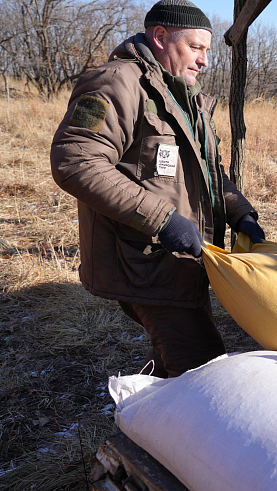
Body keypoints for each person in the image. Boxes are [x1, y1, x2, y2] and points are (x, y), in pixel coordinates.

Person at [50, 0, 265, 378]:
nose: (204, 61)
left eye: (207, 51)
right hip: (144, 259)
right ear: (161, 37)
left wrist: (239, 211)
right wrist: (164, 220)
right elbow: (75, 161)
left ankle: (141, 413)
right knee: (202, 367)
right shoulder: (116, 83)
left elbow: (207, 172)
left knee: (174, 355)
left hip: (182, 262)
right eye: (196, 48)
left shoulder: (185, 97)